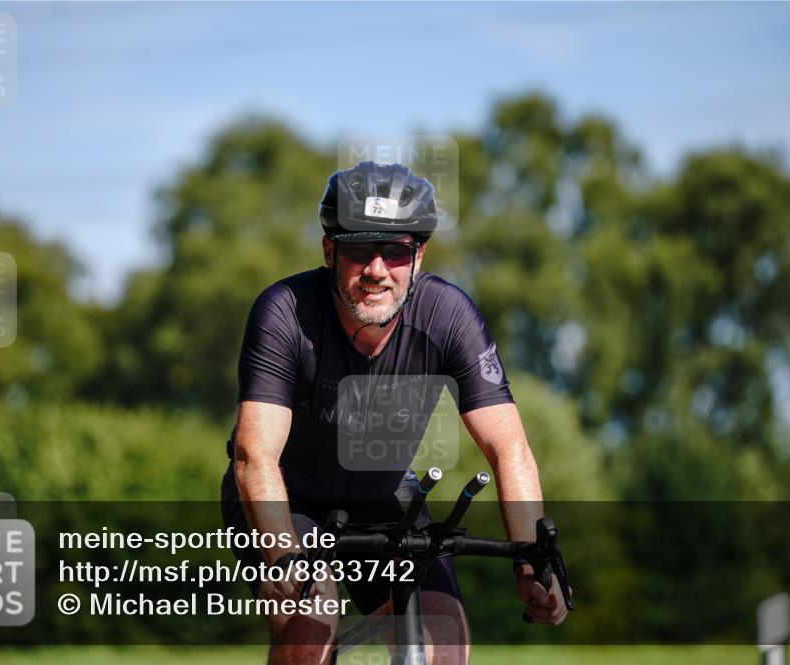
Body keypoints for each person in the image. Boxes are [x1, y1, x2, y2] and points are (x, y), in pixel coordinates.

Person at [221, 161, 567, 665]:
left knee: (443, 642)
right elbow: (254, 456)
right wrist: (282, 555)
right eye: (359, 250)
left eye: (396, 251)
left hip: (383, 494)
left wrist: (532, 565)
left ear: (418, 255)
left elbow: (509, 449)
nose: (377, 270)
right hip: (285, 493)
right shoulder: (284, 310)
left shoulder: (448, 316)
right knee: (310, 626)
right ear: (329, 251)